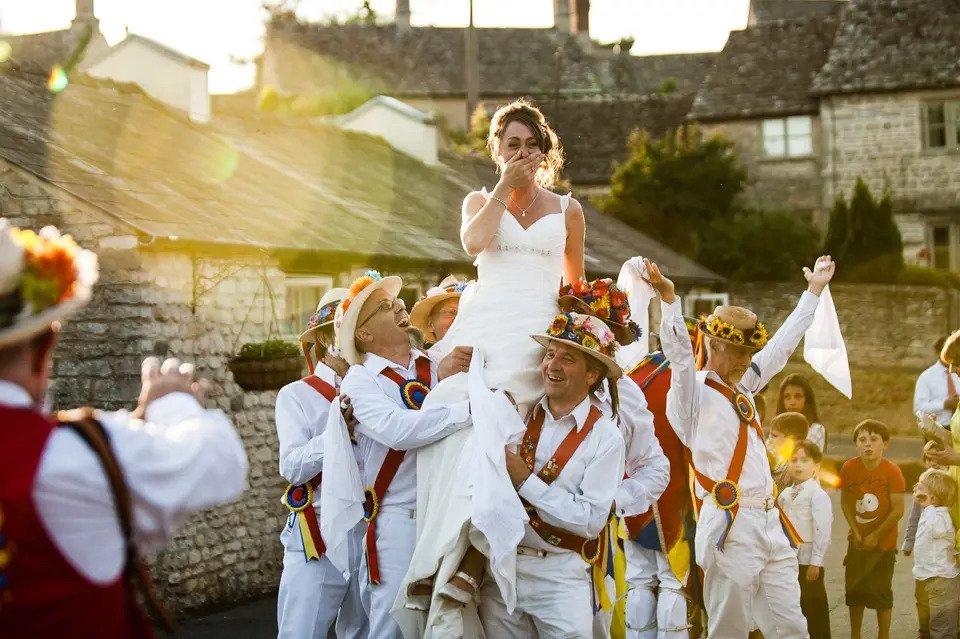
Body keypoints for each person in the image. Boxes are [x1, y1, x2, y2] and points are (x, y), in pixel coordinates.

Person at [0, 221, 248, 638]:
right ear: (44, 348)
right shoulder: (74, 458)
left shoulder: (81, 457)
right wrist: (173, 401)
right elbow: (221, 461)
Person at [396, 99, 588, 635]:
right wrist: (506, 186)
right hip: (489, 329)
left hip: (541, 331)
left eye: (531, 145)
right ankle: (458, 555)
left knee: (527, 436)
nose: (523, 153)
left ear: (546, 151)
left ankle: (490, 559)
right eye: (512, 145)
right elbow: (474, 243)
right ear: (497, 151)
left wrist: (586, 334)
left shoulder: (568, 209)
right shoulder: (480, 199)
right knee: (470, 427)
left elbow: (574, 285)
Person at [645, 253, 837, 638]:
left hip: (770, 517)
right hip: (729, 521)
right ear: (715, 344)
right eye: (739, 353)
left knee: (792, 627)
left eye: (750, 353)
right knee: (729, 628)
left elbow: (781, 348)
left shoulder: (743, 385)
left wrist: (813, 291)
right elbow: (681, 358)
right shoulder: (691, 394)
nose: (747, 361)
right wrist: (669, 302)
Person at [331, 271, 474, 639]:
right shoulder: (360, 380)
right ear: (364, 335)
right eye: (384, 306)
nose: (399, 305)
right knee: (392, 628)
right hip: (399, 520)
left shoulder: (435, 362)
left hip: (446, 511)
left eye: (396, 301)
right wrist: (471, 410)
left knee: (447, 625)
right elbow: (398, 431)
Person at [476, 311, 625, 637]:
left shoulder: (606, 436)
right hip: (503, 569)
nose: (551, 366)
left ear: (592, 375)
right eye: (549, 354)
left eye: (567, 358)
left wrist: (525, 482)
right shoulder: (518, 410)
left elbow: (589, 520)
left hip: (560, 577)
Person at [559, 277, 669, 638]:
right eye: (571, 314)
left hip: (586, 543)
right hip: (525, 533)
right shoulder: (542, 372)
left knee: (591, 625)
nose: (578, 325)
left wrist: (609, 503)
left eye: (587, 318)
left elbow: (655, 467)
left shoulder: (626, 395)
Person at [276, 287, 368, 638]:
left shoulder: (382, 388)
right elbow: (293, 467)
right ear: (328, 337)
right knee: (301, 632)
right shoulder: (296, 394)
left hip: (370, 532)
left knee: (365, 632)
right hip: (317, 534)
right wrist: (335, 432)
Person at [839, 419, 905, 639]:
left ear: (885, 444)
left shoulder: (892, 471)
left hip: (883, 545)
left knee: (881, 594)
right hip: (857, 542)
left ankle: (883, 635)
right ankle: (855, 634)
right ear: (856, 444)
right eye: (862, 440)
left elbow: (897, 510)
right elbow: (846, 503)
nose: (868, 445)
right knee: (854, 592)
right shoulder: (849, 467)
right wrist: (856, 534)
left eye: (874, 439)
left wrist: (876, 535)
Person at [777, 440, 832, 639]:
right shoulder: (783, 494)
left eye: (805, 460)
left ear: (817, 465)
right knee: (793, 608)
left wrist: (816, 561)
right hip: (788, 558)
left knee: (813, 607)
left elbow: (822, 529)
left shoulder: (817, 495)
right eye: (794, 460)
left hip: (808, 560)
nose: (798, 465)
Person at [909, 468, 960, 639]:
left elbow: (934, 529)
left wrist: (928, 506)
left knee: (943, 627)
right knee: (937, 622)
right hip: (932, 576)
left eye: (922, 488)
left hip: (942, 578)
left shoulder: (939, 516)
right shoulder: (931, 512)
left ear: (933, 498)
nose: (917, 488)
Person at [409, 275, 468, 350]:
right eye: (451, 312)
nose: (459, 319)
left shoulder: (484, 358)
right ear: (430, 324)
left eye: (466, 312)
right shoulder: (422, 360)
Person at [915, 335, 960, 428]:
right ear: (939, 352)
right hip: (939, 427)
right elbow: (919, 408)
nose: (952, 370)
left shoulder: (957, 374)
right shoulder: (926, 377)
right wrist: (944, 404)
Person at [777, 373, 827, 451]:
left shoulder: (816, 429)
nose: (792, 402)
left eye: (798, 396)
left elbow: (810, 457)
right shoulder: (777, 428)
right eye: (787, 397)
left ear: (806, 399)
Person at [766, 411, 811, 490]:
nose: (770, 440)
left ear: (791, 439)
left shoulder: (798, 465)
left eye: (774, 436)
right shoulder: (782, 458)